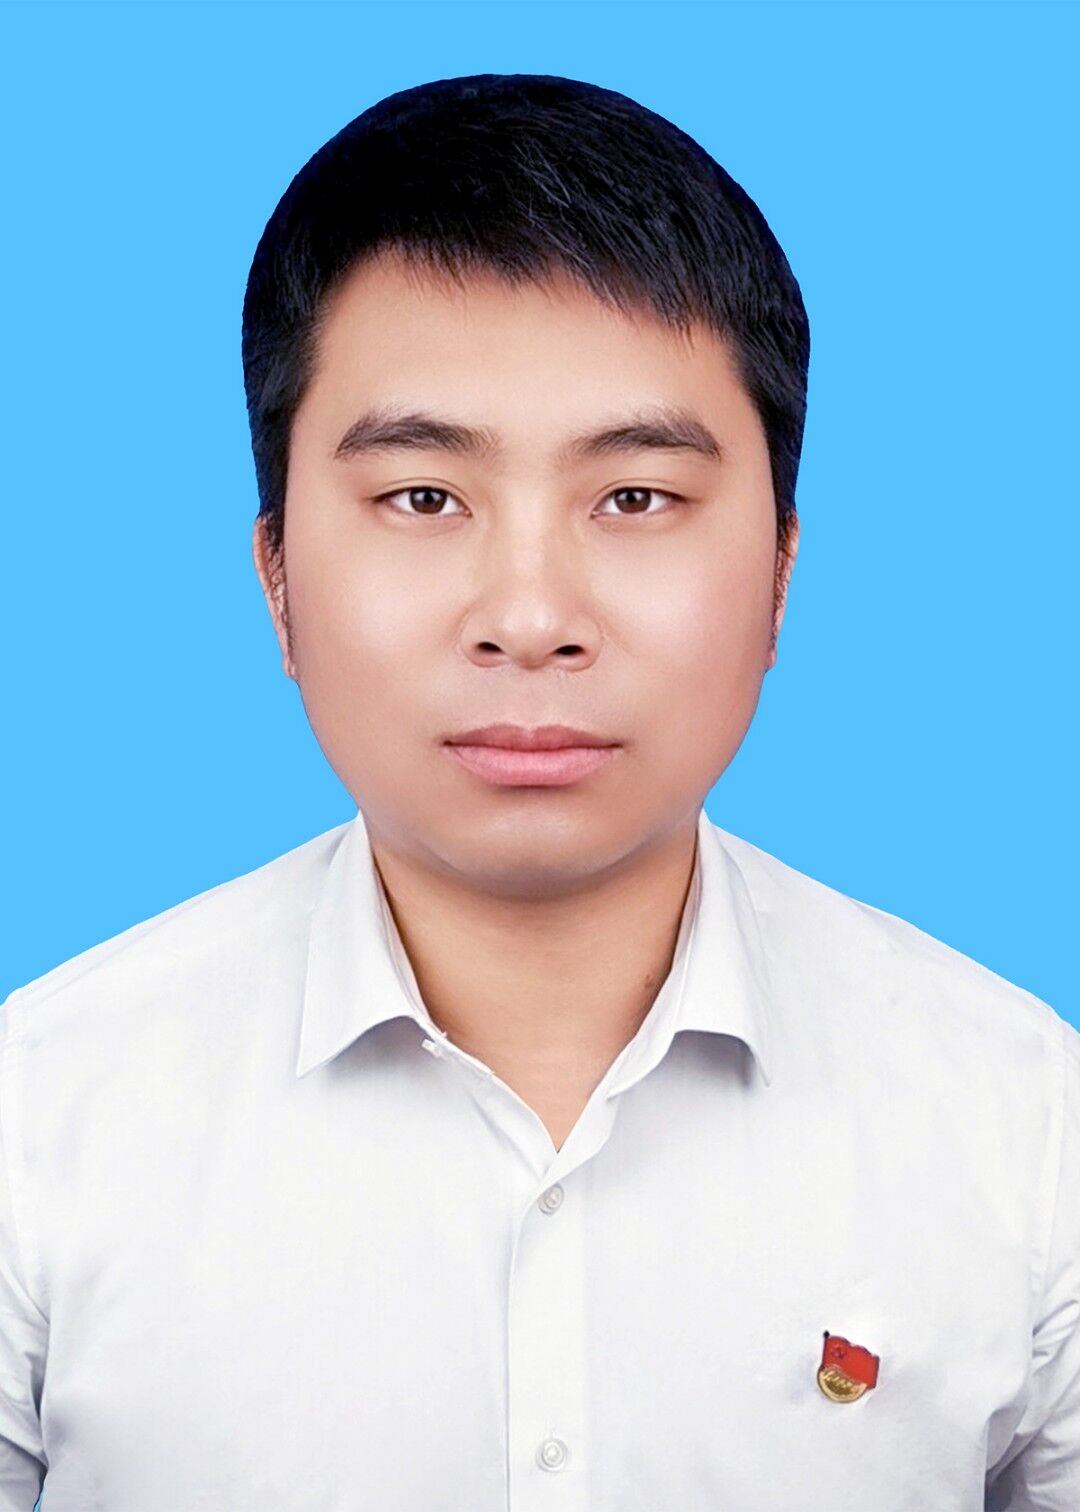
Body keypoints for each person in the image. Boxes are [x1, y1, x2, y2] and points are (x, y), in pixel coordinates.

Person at [1, 72, 1075, 1511]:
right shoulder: (39, 1123)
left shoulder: (1022, 1121)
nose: (529, 616)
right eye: (423, 497)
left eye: (634, 497)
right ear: (275, 575)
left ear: (780, 570)